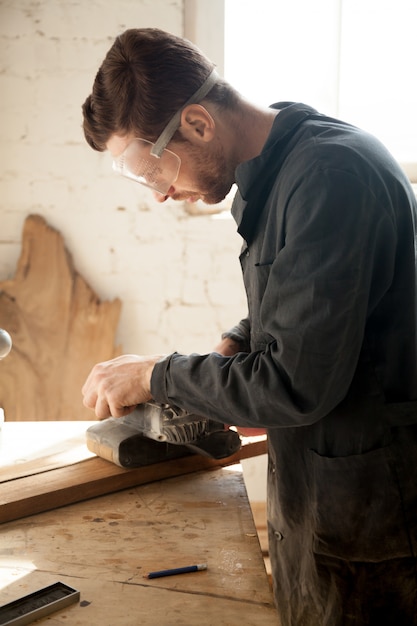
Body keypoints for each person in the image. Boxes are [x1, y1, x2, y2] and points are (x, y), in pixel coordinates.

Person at [81, 27, 417, 625]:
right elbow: (311, 297)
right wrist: (239, 339)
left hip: (373, 517)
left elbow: (292, 383)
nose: (160, 196)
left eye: (152, 174)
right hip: (320, 496)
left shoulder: (330, 177)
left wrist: (157, 376)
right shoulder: (282, 170)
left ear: (198, 124)